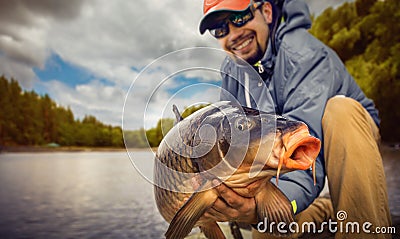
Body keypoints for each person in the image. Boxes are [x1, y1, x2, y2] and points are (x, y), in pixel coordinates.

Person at [198, 0, 392, 238]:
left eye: (239, 18)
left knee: (340, 111)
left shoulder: (303, 53)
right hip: (285, 152)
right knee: (270, 227)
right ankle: (327, 211)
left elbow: (301, 146)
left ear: (266, 12)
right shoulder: (231, 69)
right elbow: (233, 143)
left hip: (349, 135)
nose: (234, 34)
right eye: (220, 28)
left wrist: (272, 203)